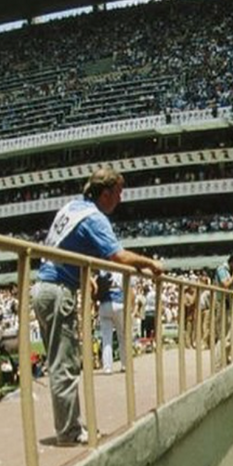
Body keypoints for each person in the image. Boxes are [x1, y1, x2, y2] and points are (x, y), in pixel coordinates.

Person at [31, 165, 163, 444]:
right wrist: (150, 263)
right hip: (57, 290)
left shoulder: (72, 207)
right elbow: (119, 257)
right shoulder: (95, 218)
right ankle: (69, 432)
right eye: (118, 192)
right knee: (64, 363)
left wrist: (85, 276)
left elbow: (67, 248)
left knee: (62, 361)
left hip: (44, 287)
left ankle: (70, 426)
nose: (120, 199)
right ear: (105, 193)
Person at [94, 268, 126, 373]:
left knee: (106, 338)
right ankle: (124, 364)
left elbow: (95, 290)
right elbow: (129, 290)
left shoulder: (102, 271)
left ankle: (107, 367)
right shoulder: (121, 272)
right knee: (122, 336)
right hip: (119, 304)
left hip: (104, 305)